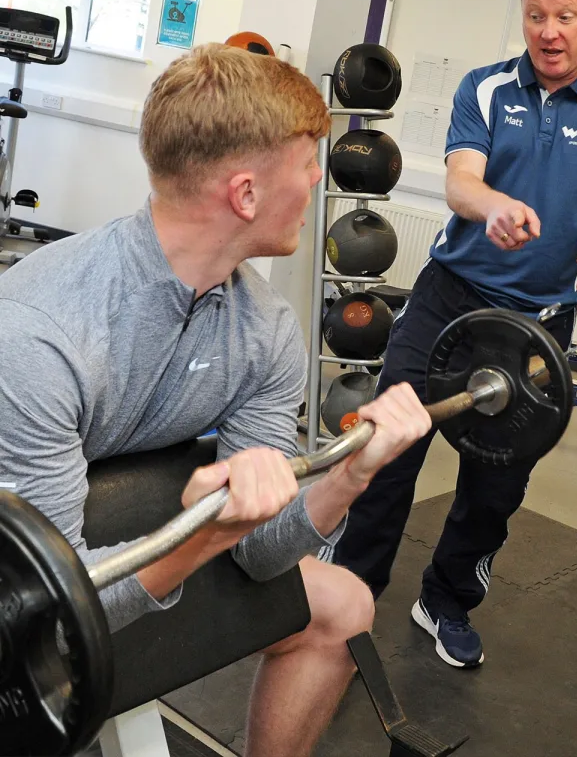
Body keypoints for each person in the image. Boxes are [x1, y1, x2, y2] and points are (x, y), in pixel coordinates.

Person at [0, 43, 432, 757]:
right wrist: (206, 532)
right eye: (306, 162)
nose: (321, 178)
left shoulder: (264, 332)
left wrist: (350, 474)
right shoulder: (42, 333)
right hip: (25, 599)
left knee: (345, 605)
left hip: (115, 548)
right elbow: (48, 613)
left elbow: (265, 553)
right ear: (246, 194)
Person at [335, 0, 577, 669]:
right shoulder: (485, 89)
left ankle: (444, 602)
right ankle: (347, 594)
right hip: (450, 302)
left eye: (566, 16)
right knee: (388, 448)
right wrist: (492, 207)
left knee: (496, 486)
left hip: (538, 327)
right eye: (536, 14)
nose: (549, 31)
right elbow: (461, 182)